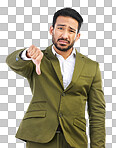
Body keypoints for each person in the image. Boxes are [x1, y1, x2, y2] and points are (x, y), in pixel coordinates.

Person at [6, 7, 106, 148]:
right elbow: (11, 62)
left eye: (71, 31)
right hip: (39, 137)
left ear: (77, 36)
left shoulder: (92, 67)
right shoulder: (38, 58)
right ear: (52, 30)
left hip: (75, 139)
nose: (65, 35)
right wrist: (27, 54)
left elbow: (97, 112)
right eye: (60, 28)